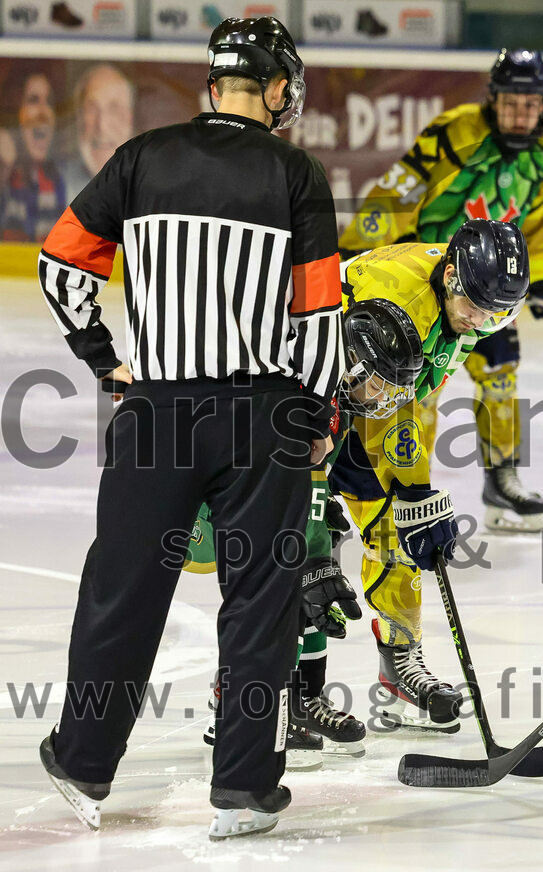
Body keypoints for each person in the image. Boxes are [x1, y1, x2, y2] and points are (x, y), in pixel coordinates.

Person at [37, 17, 342, 840]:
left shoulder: (141, 157)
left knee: (124, 591)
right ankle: (243, 789)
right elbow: (317, 316)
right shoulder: (296, 173)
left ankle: (83, 761)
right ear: (275, 88)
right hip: (263, 418)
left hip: (159, 413)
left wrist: (106, 360)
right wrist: (316, 414)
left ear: (214, 84)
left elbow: (61, 264)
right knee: (260, 604)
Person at [340, 48, 543, 532]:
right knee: (415, 384)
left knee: (501, 369)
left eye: (530, 104)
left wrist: (538, 277)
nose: (520, 114)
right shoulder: (455, 131)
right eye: (510, 103)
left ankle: (502, 476)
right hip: (434, 282)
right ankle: (411, 482)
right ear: (493, 100)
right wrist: (358, 246)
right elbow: (398, 190)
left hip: (493, 289)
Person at [188, 299, 425, 768]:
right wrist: (310, 535)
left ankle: (300, 698)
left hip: (243, 493)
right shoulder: (303, 393)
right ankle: (238, 704)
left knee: (314, 568)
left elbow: (323, 472)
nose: (383, 399)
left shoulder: (334, 396)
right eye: (380, 383)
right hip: (203, 509)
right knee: (285, 577)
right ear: (353, 365)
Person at [331, 219, 530, 732]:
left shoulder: (477, 301)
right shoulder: (404, 299)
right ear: (449, 277)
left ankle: (399, 663)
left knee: (395, 527)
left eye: (494, 312)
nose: (480, 320)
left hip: (371, 395)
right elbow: (384, 401)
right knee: (297, 540)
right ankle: (263, 687)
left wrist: (414, 495)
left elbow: (406, 398)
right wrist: (411, 486)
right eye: (474, 307)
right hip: (308, 394)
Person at [0, 70, 66, 240]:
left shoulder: (59, 177)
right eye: (33, 100)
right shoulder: (6, 171)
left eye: (49, 102)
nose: (43, 111)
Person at [63, 63, 135, 202]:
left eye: (114, 108)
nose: (102, 126)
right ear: (79, 118)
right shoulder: (58, 187)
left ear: (130, 119)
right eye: (91, 109)